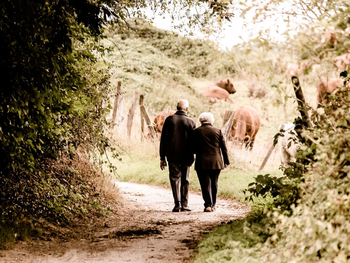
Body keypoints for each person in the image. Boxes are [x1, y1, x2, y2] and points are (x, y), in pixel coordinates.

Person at [159, 99, 196, 212]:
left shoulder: (169, 120)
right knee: (185, 179)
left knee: (174, 178)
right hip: (187, 155)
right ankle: (185, 204)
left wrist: (162, 157)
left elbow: (163, 140)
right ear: (186, 109)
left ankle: (177, 204)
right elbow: (194, 141)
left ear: (176, 107)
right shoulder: (191, 122)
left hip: (172, 154)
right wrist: (194, 154)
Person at [193, 112, 230, 212]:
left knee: (205, 184)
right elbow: (224, 148)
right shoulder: (218, 131)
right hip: (216, 161)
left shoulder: (196, 131)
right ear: (211, 120)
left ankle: (207, 205)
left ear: (201, 120)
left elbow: (192, 148)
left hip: (201, 162)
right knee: (214, 183)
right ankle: (213, 204)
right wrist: (226, 161)